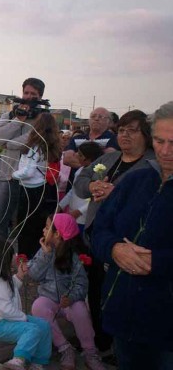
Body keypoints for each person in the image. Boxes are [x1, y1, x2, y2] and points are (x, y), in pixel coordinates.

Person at [92, 101, 173, 369]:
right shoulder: (136, 180)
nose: (165, 151)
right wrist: (115, 249)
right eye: (160, 141)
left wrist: (158, 262)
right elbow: (100, 230)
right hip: (124, 317)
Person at [73, 110, 155, 354]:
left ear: (146, 135)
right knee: (96, 290)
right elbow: (80, 182)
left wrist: (115, 193)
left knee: (124, 297)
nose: (125, 135)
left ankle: (122, 347)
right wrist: (92, 185)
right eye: (121, 130)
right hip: (97, 238)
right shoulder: (109, 159)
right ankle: (100, 340)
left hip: (128, 243)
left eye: (132, 130)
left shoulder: (152, 164)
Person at [29, 214, 104, 370]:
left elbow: (81, 283)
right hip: (49, 299)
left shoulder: (74, 256)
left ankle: (90, 352)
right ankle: (65, 348)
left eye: (47, 227)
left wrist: (71, 298)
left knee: (80, 310)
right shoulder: (44, 251)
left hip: (68, 302)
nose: (43, 230)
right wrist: (46, 255)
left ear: (57, 234)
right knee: (38, 306)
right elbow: (34, 274)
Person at [0, 240, 52, 370]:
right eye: (10, 257)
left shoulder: (0, 279)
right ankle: (18, 360)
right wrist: (24, 318)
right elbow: (7, 311)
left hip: (8, 319)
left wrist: (19, 276)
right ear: (0, 261)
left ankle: (38, 362)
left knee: (43, 325)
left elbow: (11, 288)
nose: (13, 259)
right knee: (31, 329)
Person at [0, 77, 45, 244]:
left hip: (30, 180)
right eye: (26, 92)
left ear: (40, 96)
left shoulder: (42, 118)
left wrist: (9, 143)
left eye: (33, 94)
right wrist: (17, 120)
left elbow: (31, 140)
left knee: (24, 224)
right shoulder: (8, 114)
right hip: (7, 174)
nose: (28, 96)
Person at [11, 112, 61, 258]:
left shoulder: (35, 146)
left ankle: (24, 259)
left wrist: (14, 175)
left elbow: (29, 171)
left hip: (30, 191)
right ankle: (37, 260)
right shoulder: (51, 146)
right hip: (44, 189)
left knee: (25, 228)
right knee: (39, 228)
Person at [63, 107, 119, 194]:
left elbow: (107, 161)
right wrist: (96, 162)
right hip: (74, 187)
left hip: (97, 189)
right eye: (93, 116)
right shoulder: (77, 138)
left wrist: (80, 159)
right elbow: (67, 160)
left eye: (101, 117)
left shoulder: (114, 139)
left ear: (109, 122)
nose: (96, 119)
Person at [58, 141, 103, 234]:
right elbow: (73, 190)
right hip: (73, 213)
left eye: (80, 154)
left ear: (88, 159)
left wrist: (79, 211)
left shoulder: (97, 174)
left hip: (83, 217)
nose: (76, 155)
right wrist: (61, 205)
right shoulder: (81, 169)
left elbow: (96, 197)